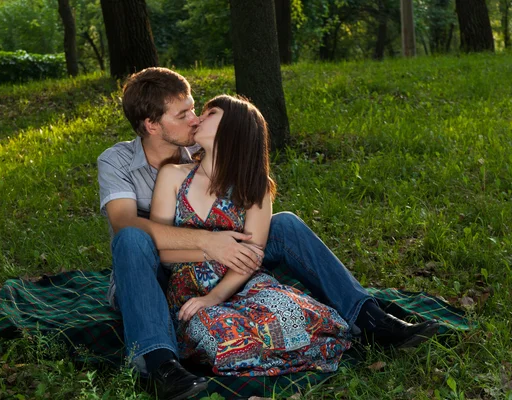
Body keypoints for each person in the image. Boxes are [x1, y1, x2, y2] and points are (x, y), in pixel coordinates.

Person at [97, 68, 439, 399]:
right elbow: (125, 223)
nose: (194, 118)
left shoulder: (199, 148)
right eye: (183, 113)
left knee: (286, 223)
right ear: (152, 125)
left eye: (194, 109)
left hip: (232, 255)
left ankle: (369, 317)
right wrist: (209, 243)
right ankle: (159, 364)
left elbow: (244, 193)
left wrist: (226, 251)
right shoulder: (118, 161)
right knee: (131, 238)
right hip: (149, 270)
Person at [150, 94, 352, 375]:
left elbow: (252, 256)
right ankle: (256, 352)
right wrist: (211, 251)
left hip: (240, 284)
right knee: (220, 331)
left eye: (211, 114)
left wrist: (216, 296)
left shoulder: (255, 187)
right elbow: (161, 249)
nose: (198, 118)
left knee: (297, 314)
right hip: (189, 290)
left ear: (232, 129)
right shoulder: (173, 175)